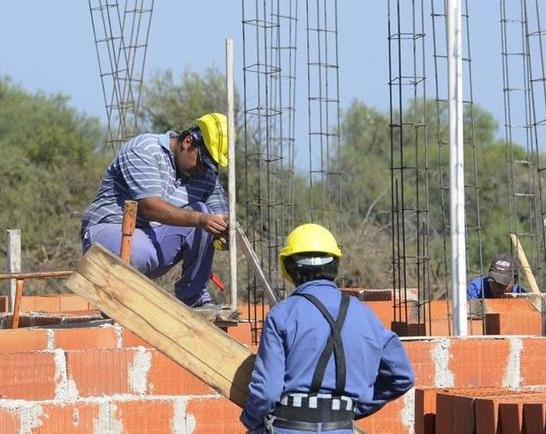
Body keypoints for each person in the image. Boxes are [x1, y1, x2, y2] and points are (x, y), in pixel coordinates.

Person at [240, 223, 415, 434]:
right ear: (335, 264)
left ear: (288, 267)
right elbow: (402, 376)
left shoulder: (282, 315)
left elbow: (267, 393)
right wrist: (353, 407)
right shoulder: (367, 316)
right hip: (341, 427)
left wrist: (251, 420)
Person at [80, 113, 230, 308]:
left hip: (151, 243)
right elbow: (150, 207)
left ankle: (195, 298)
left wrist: (224, 232)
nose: (203, 170)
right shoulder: (145, 149)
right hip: (110, 231)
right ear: (187, 142)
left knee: (206, 215)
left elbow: (220, 216)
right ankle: (119, 301)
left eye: (211, 165)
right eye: (202, 162)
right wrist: (202, 219)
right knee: (197, 220)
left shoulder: (206, 175)